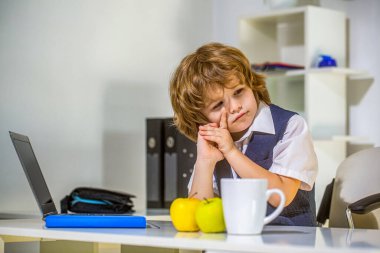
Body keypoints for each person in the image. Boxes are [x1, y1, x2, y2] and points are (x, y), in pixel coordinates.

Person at [169, 42, 318, 226]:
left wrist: (232, 152)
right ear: (201, 120)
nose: (235, 107)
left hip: (291, 243)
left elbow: (282, 196)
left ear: (252, 85)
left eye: (239, 92)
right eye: (218, 105)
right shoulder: (217, 144)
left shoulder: (290, 126)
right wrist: (205, 162)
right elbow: (198, 218)